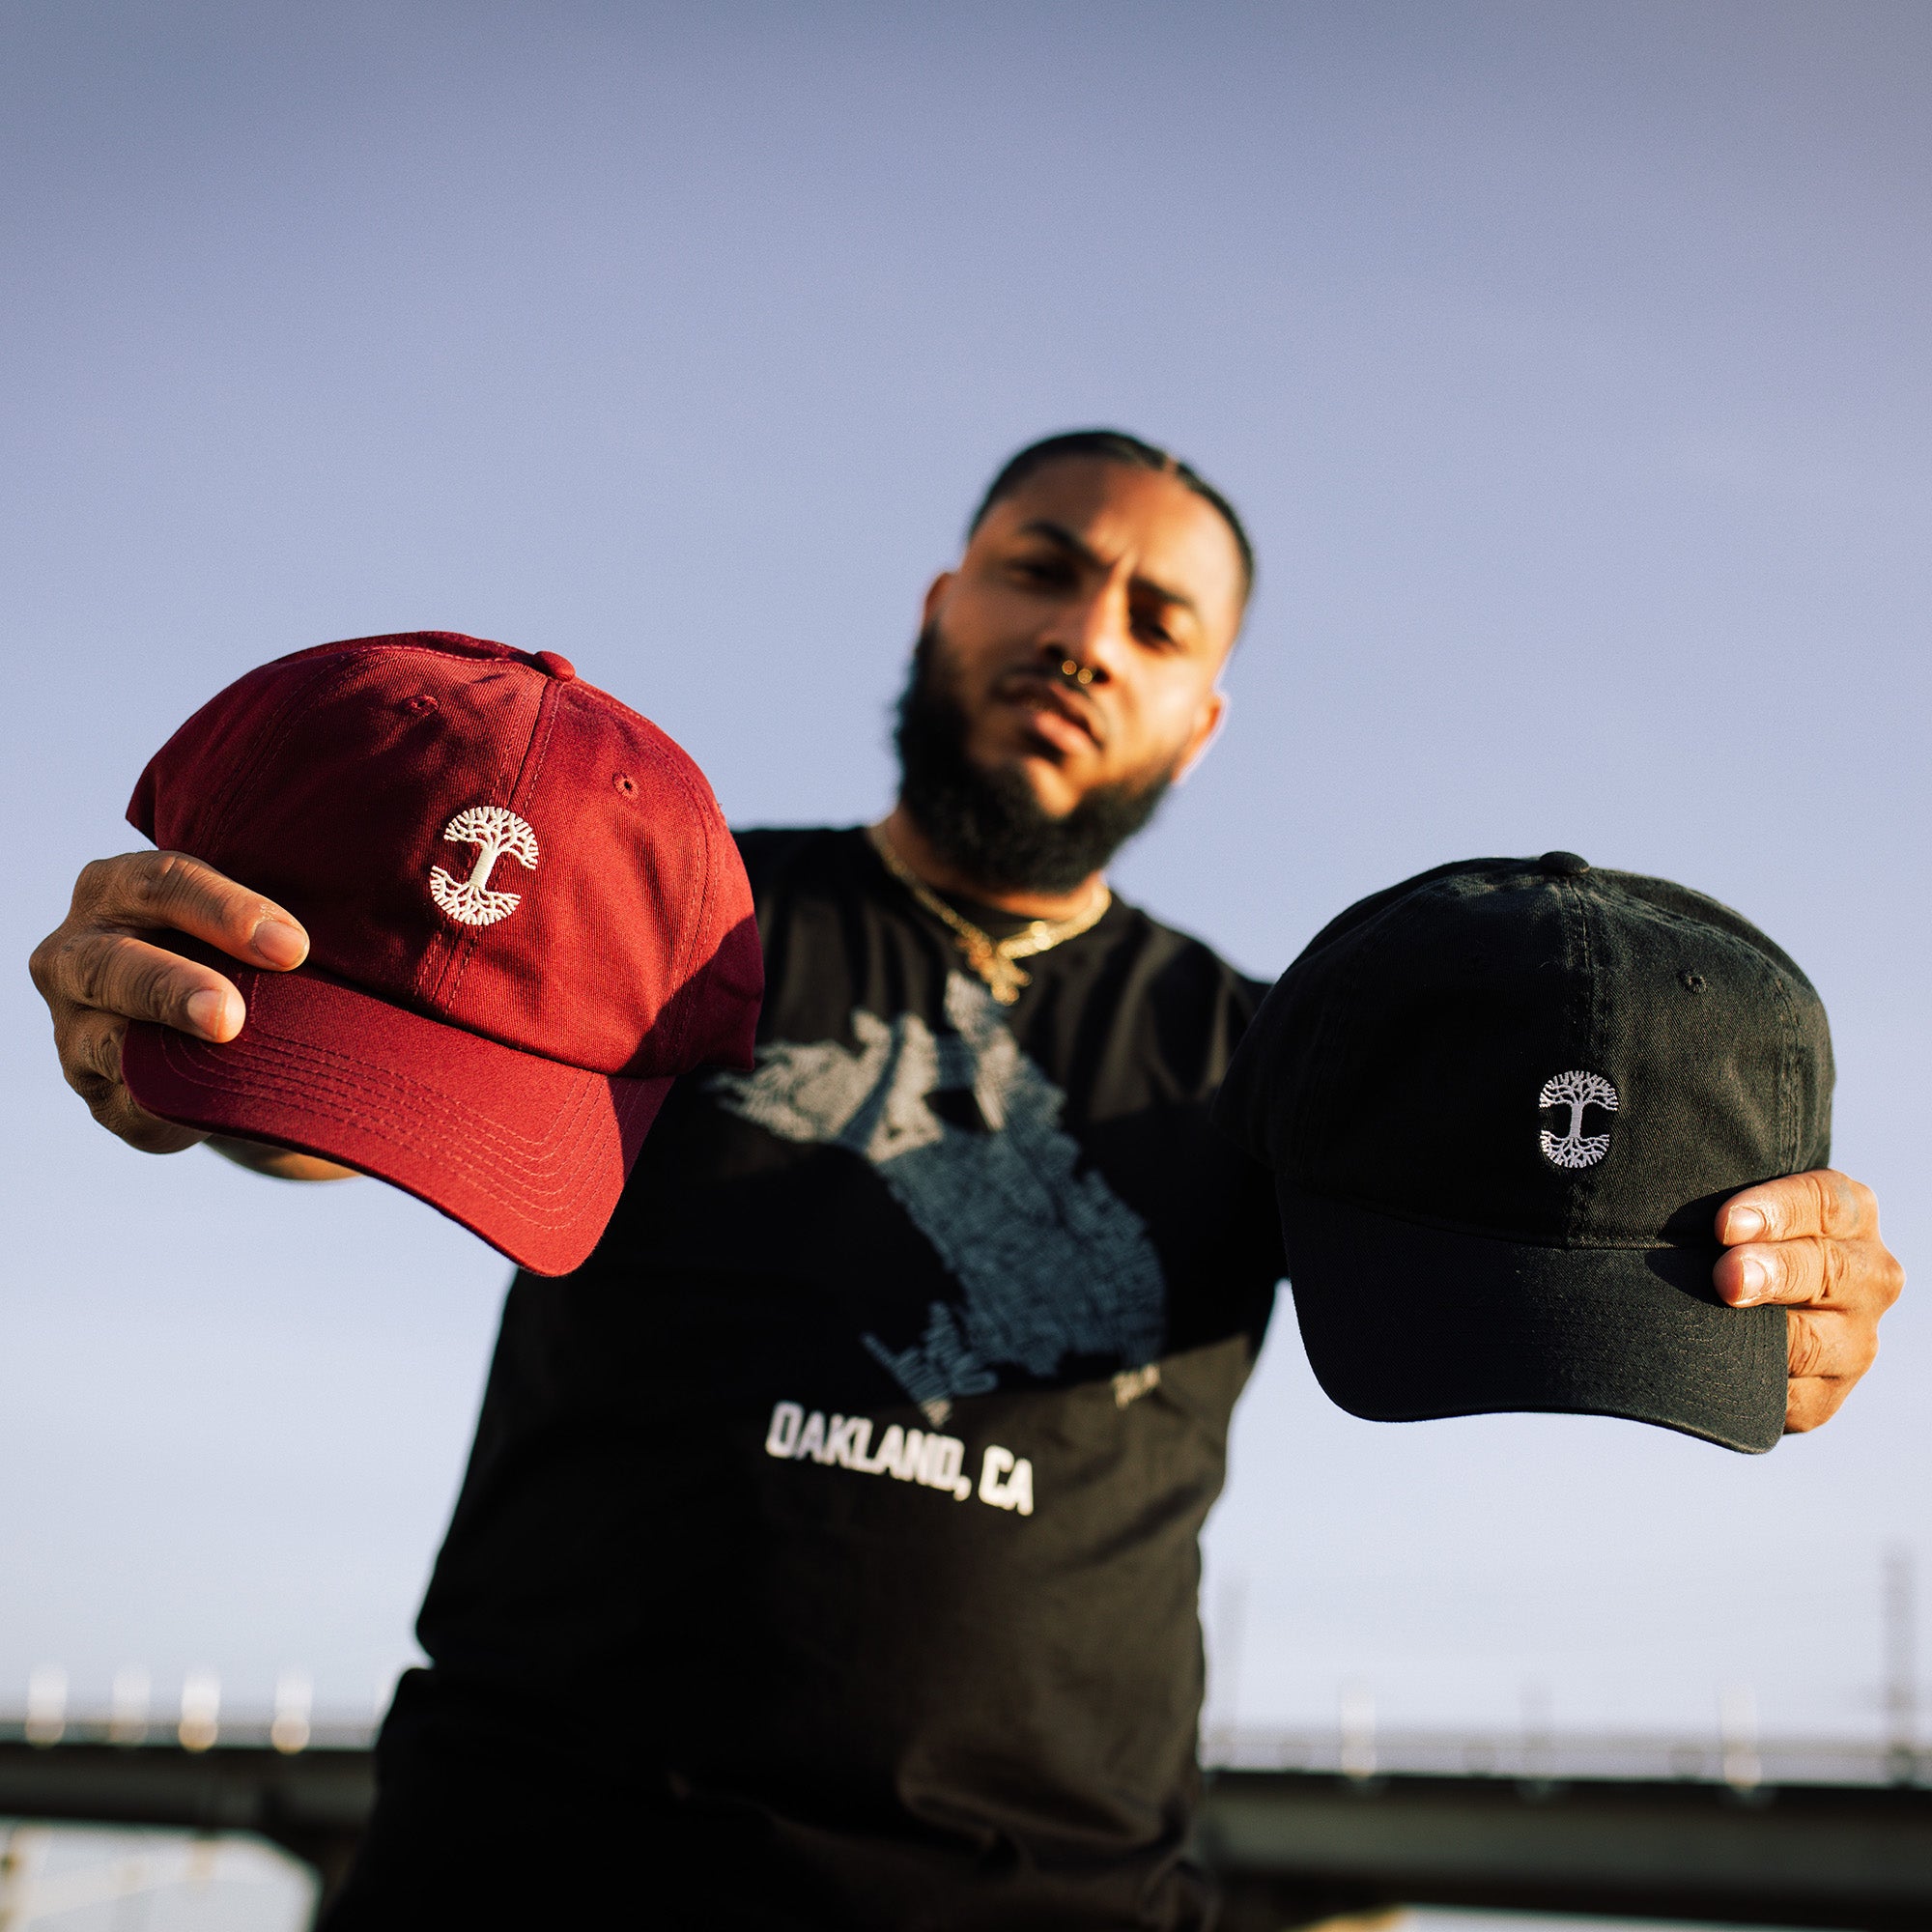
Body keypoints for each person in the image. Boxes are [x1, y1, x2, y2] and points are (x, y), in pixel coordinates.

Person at [29, 432, 1904, 1929]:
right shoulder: (669, 909)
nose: (1088, 629)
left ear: (1204, 718)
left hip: (1041, 1900)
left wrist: (1740, 1292)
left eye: (1159, 621)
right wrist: (196, 1052)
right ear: (942, 600)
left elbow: (1561, 1257)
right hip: (525, 1860)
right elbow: (347, 1094)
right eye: (1042, 565)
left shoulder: (1281, 1055)